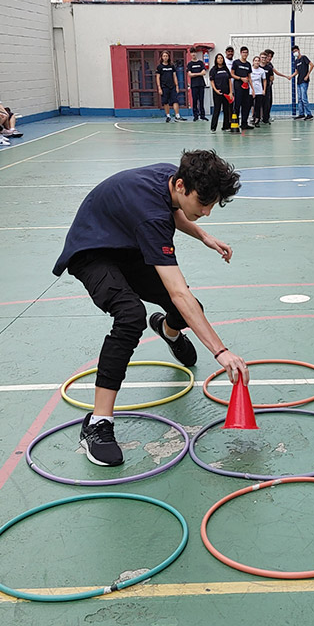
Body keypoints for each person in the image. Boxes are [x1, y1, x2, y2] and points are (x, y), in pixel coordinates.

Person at [52, 150, 251, 466]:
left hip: (125, 244)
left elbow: (173, 210)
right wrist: (221, 351)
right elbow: (178, 291)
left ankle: (168, 332)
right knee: (132, 316)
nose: (208, 212)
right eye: (203, 205)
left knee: (189, 308)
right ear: (182, 185)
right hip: (91, 251)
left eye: (212, 206)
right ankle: (98, 423)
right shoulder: (151, 218)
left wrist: (203, 235)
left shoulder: (171, 177)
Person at [156, 52, 185, 122]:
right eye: (164, 56)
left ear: (168, 57)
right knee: (166, 102)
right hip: (164, 87)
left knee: (175, 101)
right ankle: (168, 116)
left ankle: (177, 116)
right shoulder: (159, 67)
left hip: (172, 87)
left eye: (166, 56)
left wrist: (177, 86)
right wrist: (159, 87)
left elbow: (174, 76)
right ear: (162, 57)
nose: (165, 57)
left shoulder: (172, 66)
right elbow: (157, 78)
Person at [230, 46, 254, 132]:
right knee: (237, 105)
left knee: (246, 105)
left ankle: (244, 123)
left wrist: (253, 89)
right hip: (238, 87)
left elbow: (249, 77)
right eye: (243, 52)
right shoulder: (236, 63)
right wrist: (240, 78)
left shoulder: (248, 64)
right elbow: (232, 74)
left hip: (246, 88)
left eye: (246, 53)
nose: (245, 54)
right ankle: (235, 123)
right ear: (241, 53)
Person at [208, 53, 233, 132]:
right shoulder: (213, 70)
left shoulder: (226, 69)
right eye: (218, 58)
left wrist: (231, 92)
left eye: (221, 58)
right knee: (217, 109)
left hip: (226, 93)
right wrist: (216, 90)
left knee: (226, 109)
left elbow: (229, 81)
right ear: (216, 60)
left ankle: (226, 126)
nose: (220, 60)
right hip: (217, 93)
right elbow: (212, 81)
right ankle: (213, 127)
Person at [291, 44, 314, 120]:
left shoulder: (304, 58)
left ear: (299, 50)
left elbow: (312, 65)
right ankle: (301, 114)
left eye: (295, 51)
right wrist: (291, 76)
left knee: (304, 98)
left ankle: (309, 114)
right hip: (299, 81)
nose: (295, 52)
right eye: (293, 52)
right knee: (300, 99)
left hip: (304, 81)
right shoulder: (296, 61)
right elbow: (296, 71)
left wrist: (307, 75)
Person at [186, 49, 209, 122]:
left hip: (201, 84)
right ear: (190, 54)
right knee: (195, 101)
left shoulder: (201, 63)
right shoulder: (190, 64)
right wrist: (199, 73)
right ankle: (195, 116)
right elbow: (189, 74)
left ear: (196, 53)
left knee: (201, 100)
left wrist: (195, 74)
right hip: (194, 85)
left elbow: (204, 72)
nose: (193, 54)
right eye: (192, 53)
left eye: (194, 53)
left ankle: (203, 115)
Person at [249, 56, 267, 126]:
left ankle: (257, 119)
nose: (257, 62)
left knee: (258, 105)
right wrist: (252, 89)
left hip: (259, 90)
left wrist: (264, 90)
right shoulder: (250, 70)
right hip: (251, 90)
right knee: (250, 105)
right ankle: (252, 117)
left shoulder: (262, 71)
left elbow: (264, 80)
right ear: (253, 62)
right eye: (255, 60)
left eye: (258, 61)